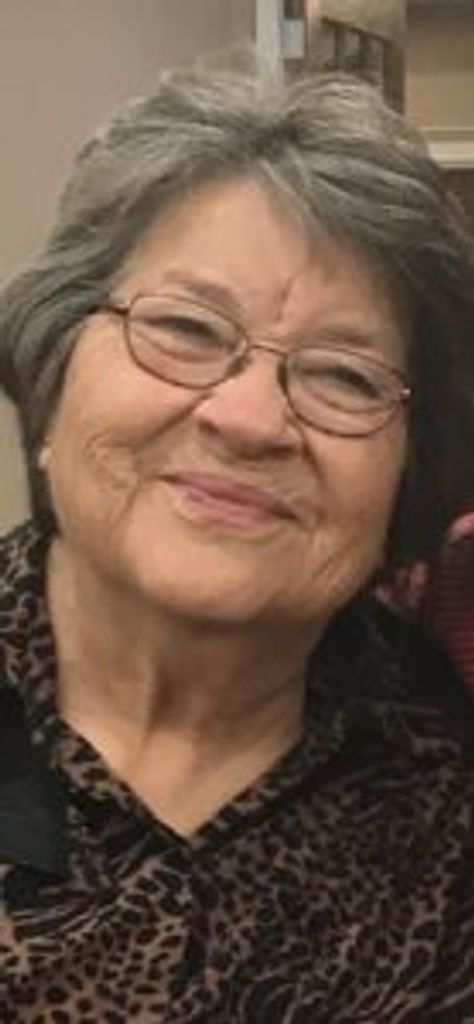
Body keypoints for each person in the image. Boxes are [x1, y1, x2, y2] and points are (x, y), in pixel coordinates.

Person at [0, 63, 474, 1024]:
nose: (250, 419)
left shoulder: (445, 792)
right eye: (184, 327)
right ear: (52, 376)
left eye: (345, 377)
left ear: (409, 477)